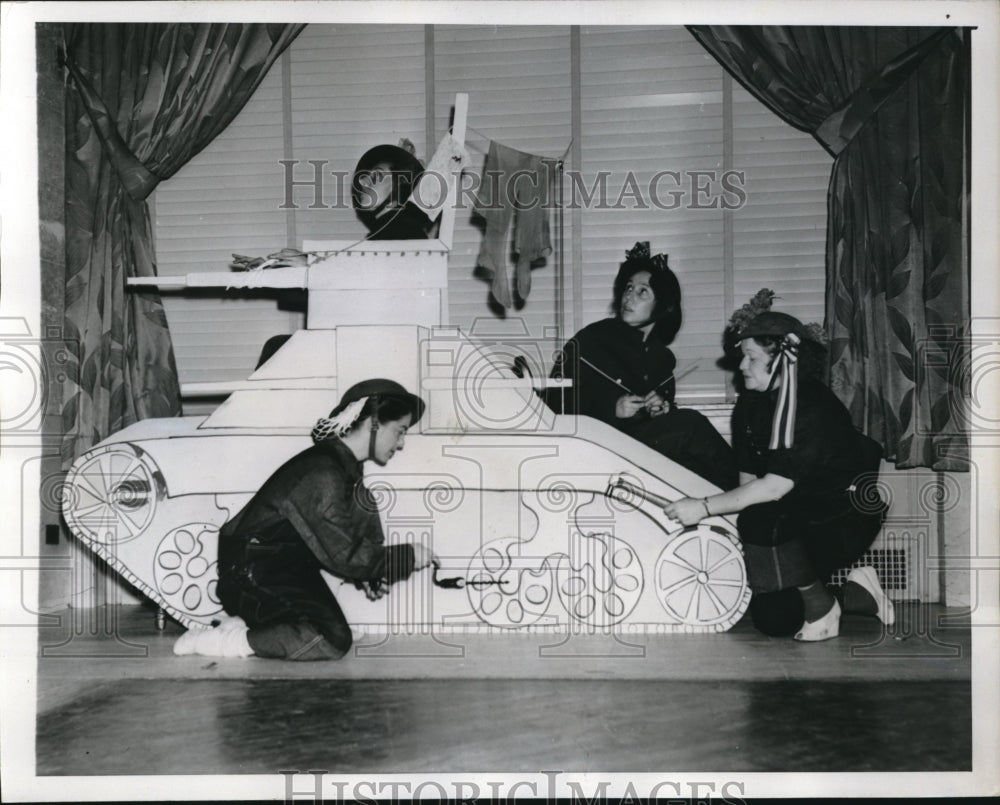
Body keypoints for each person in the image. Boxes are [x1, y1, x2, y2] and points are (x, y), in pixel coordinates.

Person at [662, 311, 894, 641]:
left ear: (785, 360)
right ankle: (857, 594)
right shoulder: (750, 406)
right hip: (789, 519)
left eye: (751, 357)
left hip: (839, 520)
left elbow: (773, 487)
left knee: (761, 524)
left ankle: (823, 607)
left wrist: (702, 506)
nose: (742, 366)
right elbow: (747, 482)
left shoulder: (813, 407)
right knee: (775, 621)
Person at [173, 379, 437, 660]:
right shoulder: (322, 473)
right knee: (331, 639)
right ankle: (225, 642)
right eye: (400, 431)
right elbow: (344, 554)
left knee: (363, 502)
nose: (402, 443)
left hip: (280, 567)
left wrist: (374, 572)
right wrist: (406, 557)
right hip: (250, 573)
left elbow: (352, 533)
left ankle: (254, 624)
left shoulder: (344, 468)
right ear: (373, 422)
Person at [547, 241, 738, 491]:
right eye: (628, 288)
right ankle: (748, 495)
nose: (628, 297)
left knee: (696, 467)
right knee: (691, 424)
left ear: (662, 305)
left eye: (642, 292)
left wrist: (662, 409)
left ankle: (740, 504)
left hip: (639, 452)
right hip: (596, 450)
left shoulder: (663, 358)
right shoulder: (591, 340)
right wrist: (610, 408)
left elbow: (663, 422)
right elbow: (553, 402)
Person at [351, 141, 432, 240]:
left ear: (398, 185)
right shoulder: (384, 231)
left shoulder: (404, 232)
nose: (363, 181)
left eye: (378, 175)